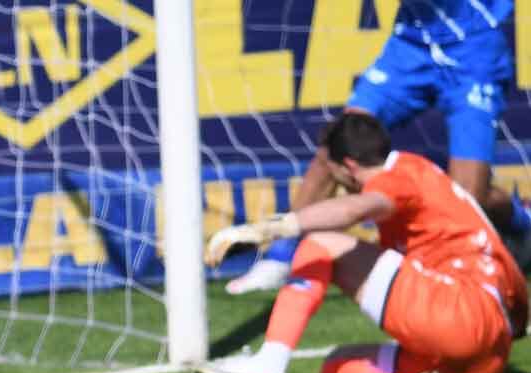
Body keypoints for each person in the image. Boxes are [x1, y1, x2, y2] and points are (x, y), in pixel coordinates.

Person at [199, 112, 527, 373]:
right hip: (486, 362)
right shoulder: (427, 181)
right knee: (337, 364)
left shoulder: (397, 176)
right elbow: (509, 277)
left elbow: (356, 208)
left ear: (350, 167)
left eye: (330, 170)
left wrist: (271, 228)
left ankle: (268, 365)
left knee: (319, 245)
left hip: (457, 314)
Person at [227, 0, 531, 295]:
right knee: (336, 146)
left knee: (466, 197)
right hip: (411, 44)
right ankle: (281, 257)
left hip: (473, 48)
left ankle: (521, 221)